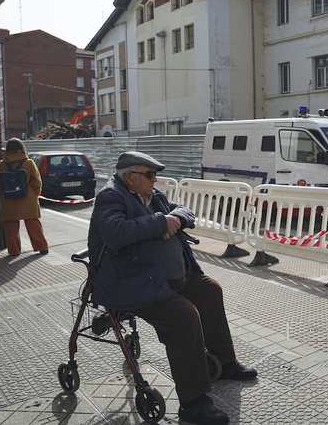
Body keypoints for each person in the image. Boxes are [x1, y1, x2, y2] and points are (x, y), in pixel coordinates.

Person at [87, 151, 256, 425]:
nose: (156, 180)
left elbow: (184, 211)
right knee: (184, 317)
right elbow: (115, 232)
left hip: (169, 276)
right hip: (135, 283)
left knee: (210, 290)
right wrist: (160, 223)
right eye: (150, 175)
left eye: (156, 175)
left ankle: (224, 363)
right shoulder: (111, 197)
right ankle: (193, 402)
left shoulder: (153, 195)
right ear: (130, 177)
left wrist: (175, 217)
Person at [0, 138, 49, 256]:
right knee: (33, 223)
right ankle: (42, 247)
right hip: (28, 197)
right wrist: (35, 193)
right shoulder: (28, 163)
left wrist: (1, 195)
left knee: (10, 226)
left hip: (8, 199)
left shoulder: (2, 164)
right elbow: (37, 181)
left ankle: (14, 251)